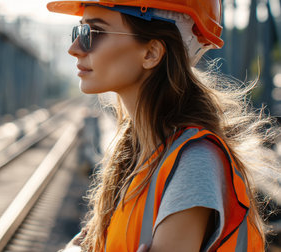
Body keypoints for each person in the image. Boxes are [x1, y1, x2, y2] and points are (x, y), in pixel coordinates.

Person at [47, 0, 280, 251]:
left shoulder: (194, 163)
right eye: (79, 31)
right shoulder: (136, 154)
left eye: (93, 33)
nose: (74, 48)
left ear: (151, 53)